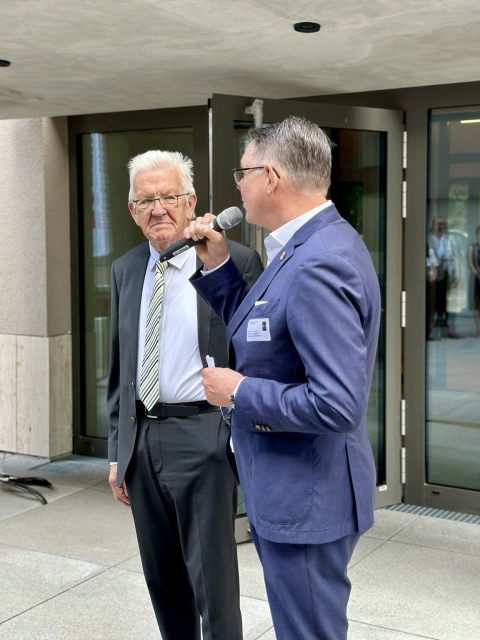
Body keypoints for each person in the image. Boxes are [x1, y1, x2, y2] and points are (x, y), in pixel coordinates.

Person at [186, 116, 381, 640]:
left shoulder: (320, 261)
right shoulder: (304, 244)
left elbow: (338, 404)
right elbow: (269, 336)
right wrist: (219, 269)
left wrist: (239, 392)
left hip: (308, 496)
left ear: (270, 176)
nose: (238, 186)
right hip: (296, 489)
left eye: (241, 173)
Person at [107, 150, 263, 640]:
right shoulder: (126, 268)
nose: (158, 209)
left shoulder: (232, 261)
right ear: (132, 210)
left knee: (212, 584)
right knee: (163, 582)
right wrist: (118, 452)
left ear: (191, 201)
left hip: (204, 437)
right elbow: (121, 367)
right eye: (145, 200)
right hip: (142, 438)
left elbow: (257, 356)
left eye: (169, 197)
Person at [467, 225, 480, 335]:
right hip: (476, 278)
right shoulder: (472, 247)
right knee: (476, 303)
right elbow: (470, 264)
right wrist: (477, 274)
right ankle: (478, 327)